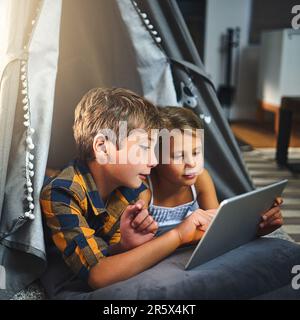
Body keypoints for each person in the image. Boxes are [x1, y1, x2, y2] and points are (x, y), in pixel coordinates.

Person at [40, 88, 214, 291]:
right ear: (103, 148)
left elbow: (105, 253)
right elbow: (98, 274)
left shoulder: (130, 189)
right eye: (144, 148)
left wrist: (123, 246)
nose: (154, 161)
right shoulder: (61, 194)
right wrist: (178, 235)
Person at [139, 106, 283, 237]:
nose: (192, 163)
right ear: (155, 157)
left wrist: (259, 227)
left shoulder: (201, 178)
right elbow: (139, 246)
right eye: (179, 156)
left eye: (196, 153)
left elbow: (216, 229)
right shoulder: (145, 189)